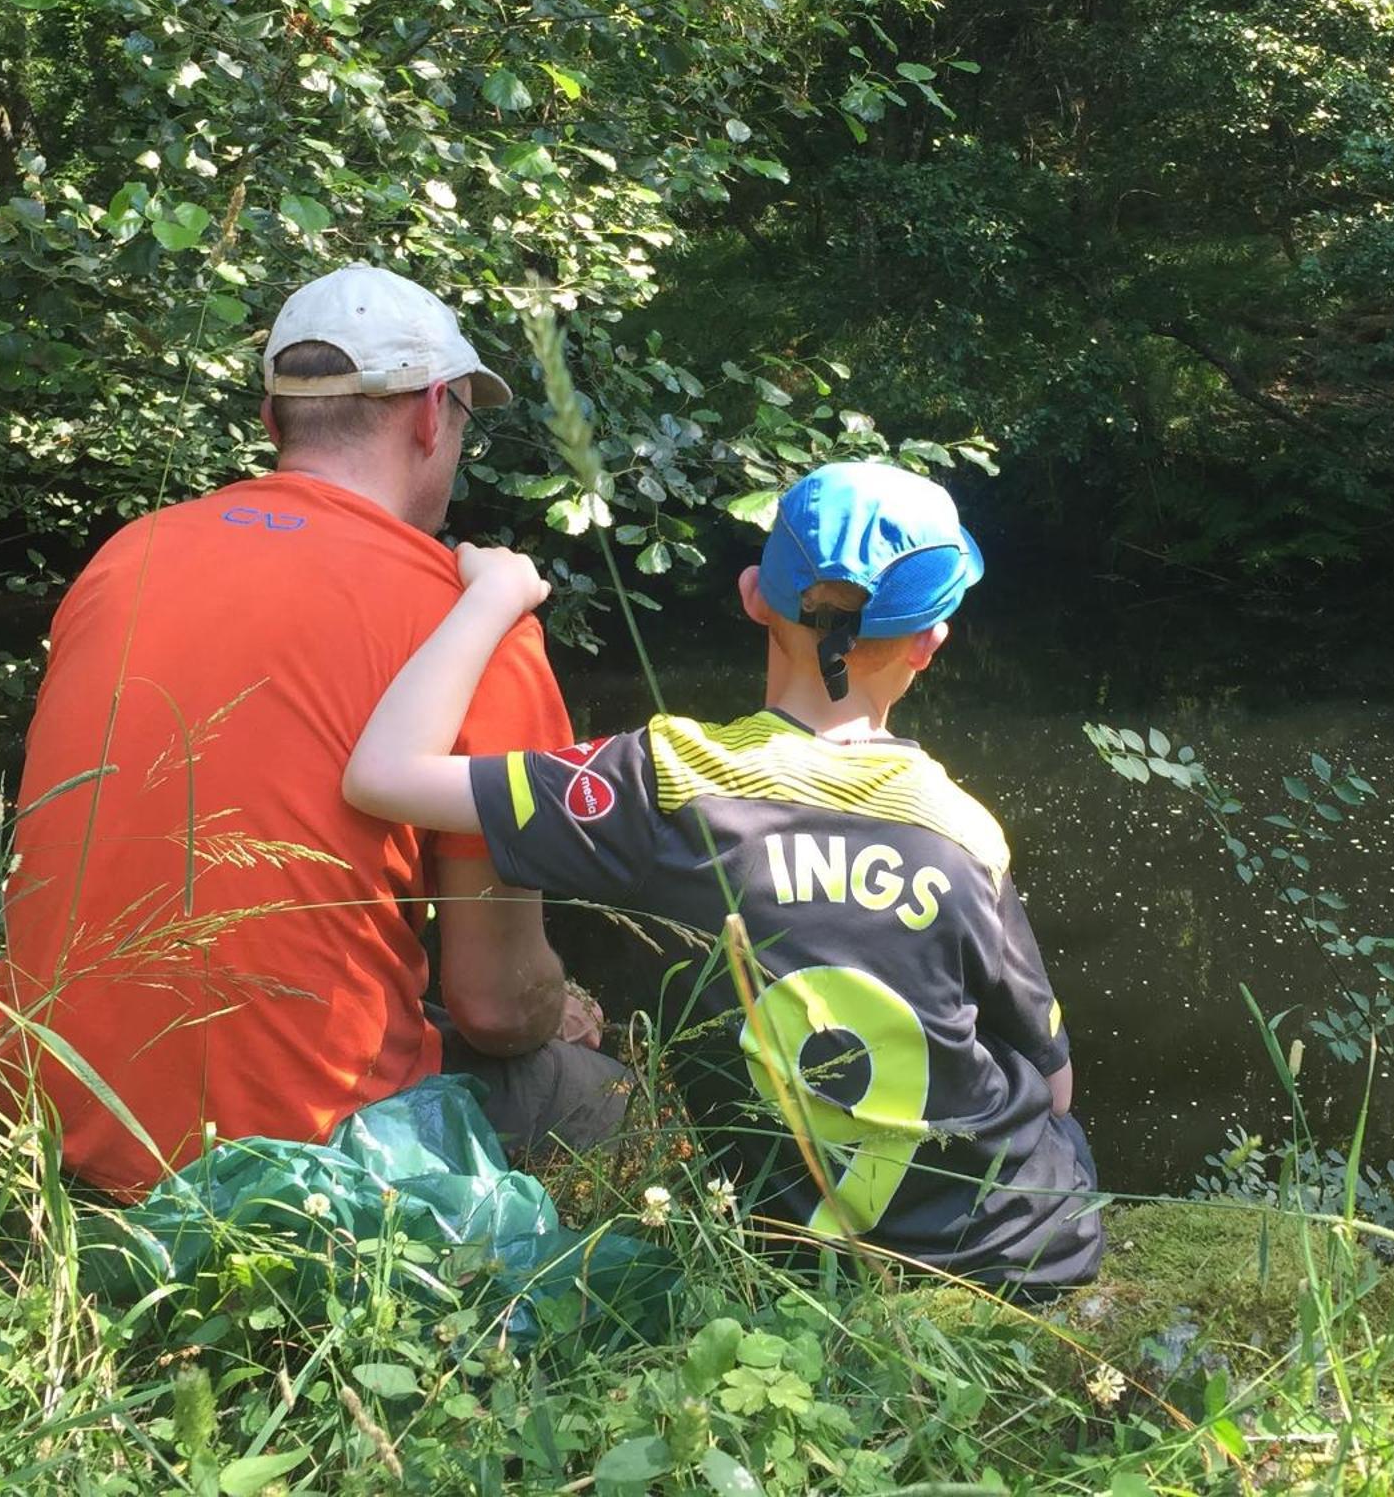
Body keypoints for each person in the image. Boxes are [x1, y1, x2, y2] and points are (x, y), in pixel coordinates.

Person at [343, 462, 1104, 1292]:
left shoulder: (666, 777)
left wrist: (489, 600)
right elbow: (1055, 1086)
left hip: (792, 1265)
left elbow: (380, 774)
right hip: (1026, 1255)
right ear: (932, 641)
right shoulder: (966, 830)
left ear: (752, 595)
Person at [0, 265, 626, 1198]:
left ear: (275, 423)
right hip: (294, 1167)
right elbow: (494, 1004)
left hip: (41, 1124)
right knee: (609, 1102)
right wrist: (555, 1005)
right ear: (434, 413)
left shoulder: (124, 560)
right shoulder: (470, 619)